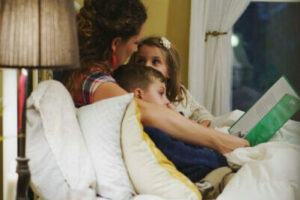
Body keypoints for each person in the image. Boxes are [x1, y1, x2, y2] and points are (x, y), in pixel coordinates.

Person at [63, 0, 249, 154]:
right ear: (116, 43)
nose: (135, 49)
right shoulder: (92, 80)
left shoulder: (94, 74)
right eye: (135, 43)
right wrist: (220, 141)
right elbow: (150, 113)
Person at [113, 64, 229, 182]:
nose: (167, 101)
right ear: (138, 95)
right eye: (161, 93)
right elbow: (191, 158)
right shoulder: (150, 133)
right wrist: (224, 158)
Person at [130, 36, 213, 127]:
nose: (146, 66)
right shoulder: (133, 95)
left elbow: (204, 116)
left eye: (155, 62)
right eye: (140, 61)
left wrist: (197, 130)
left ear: (169, 71)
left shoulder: (180, 93)